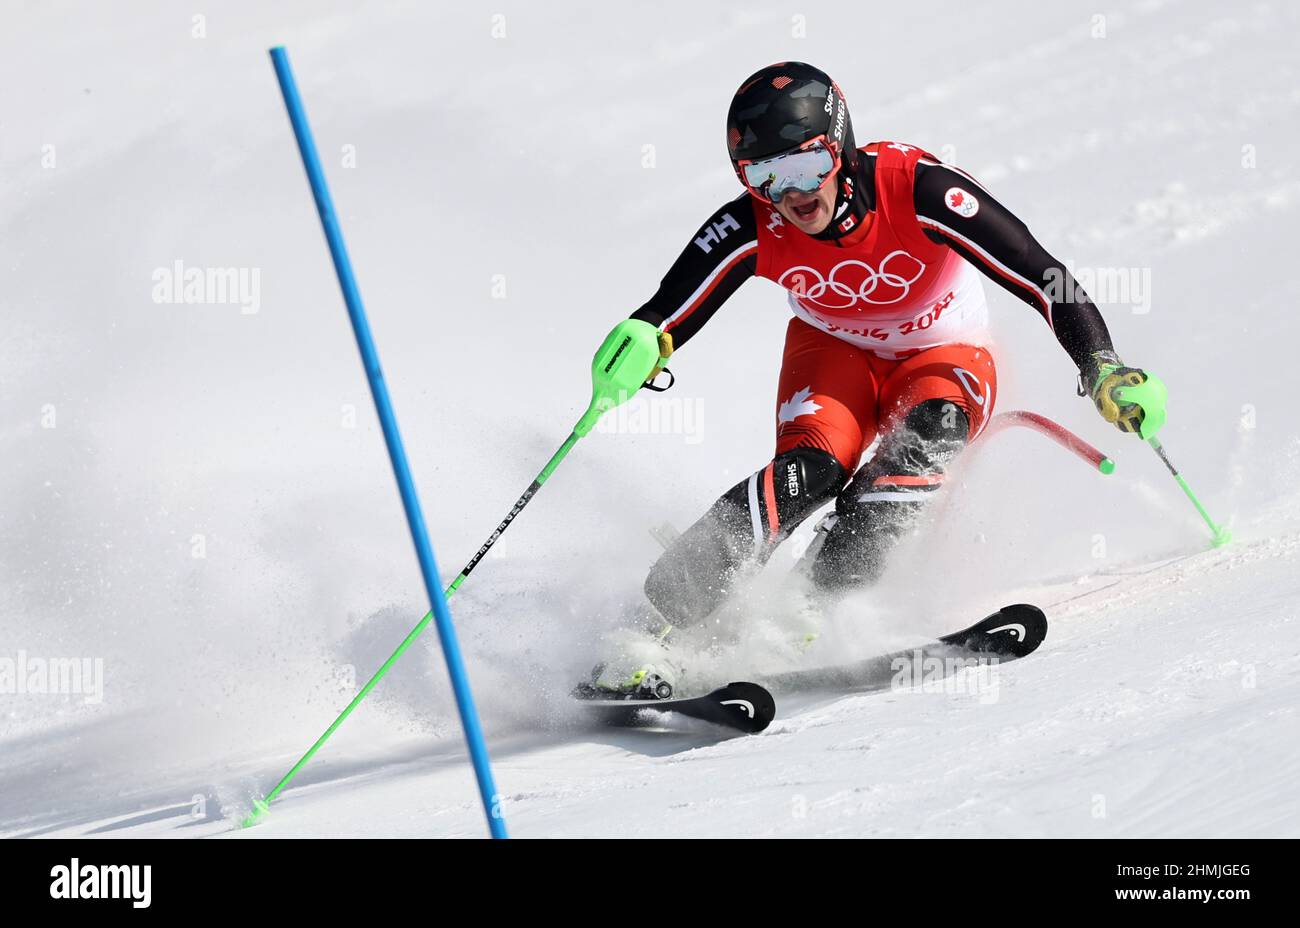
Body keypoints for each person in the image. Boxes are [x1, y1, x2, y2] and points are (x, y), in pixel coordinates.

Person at [588, 61, 1162, 697]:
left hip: (945, 350)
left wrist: (1101, 364)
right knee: (808, 472)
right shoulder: (757, 221)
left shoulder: (919, 190)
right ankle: (647, 627)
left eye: (806, 167)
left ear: (839, 145)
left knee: (928, 436)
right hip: (833, 353)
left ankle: (811, 606)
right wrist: (642, 341)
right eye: (764, 176)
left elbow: (1041, 274)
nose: (792, 194)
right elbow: (671, 306)